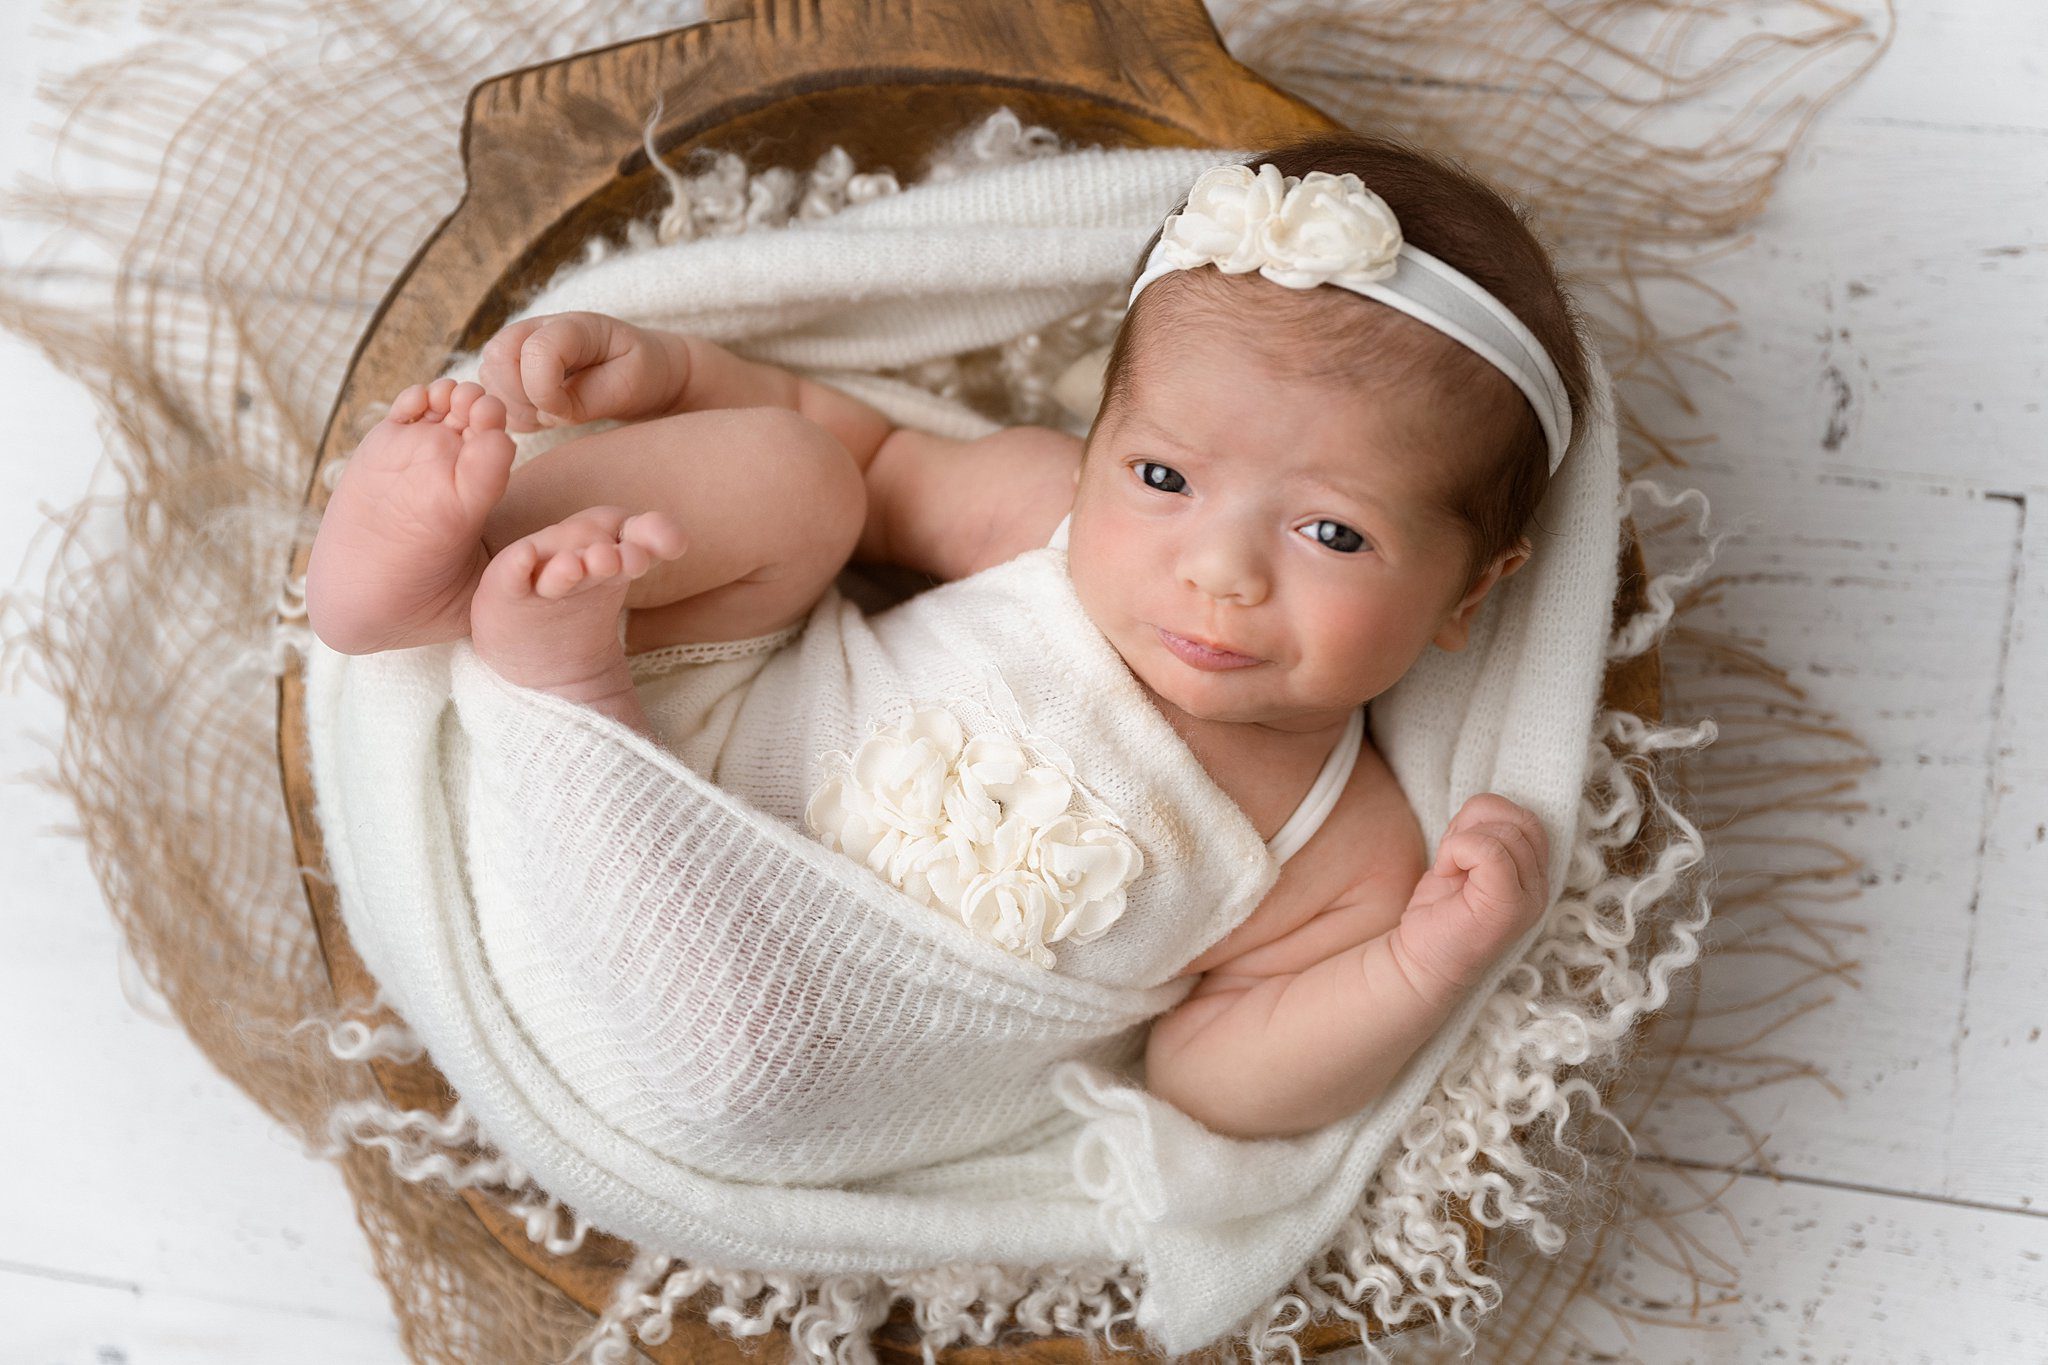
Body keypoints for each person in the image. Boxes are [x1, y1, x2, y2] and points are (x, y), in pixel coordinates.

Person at [303, 131, 1583, 1141]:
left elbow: (1209, 1080)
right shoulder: (1038, 514)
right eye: (1160, 479)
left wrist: (1422, 967)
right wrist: (674, 379)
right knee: (797, 473)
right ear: (1099, 446)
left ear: (1472, 596)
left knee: (759, 1056)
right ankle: (439, 595)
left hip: (802, 1046)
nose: (1217, 570)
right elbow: (850, 430)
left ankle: (544, 672)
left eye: (1333, 536)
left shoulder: (1346, 846)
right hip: (678, 751)